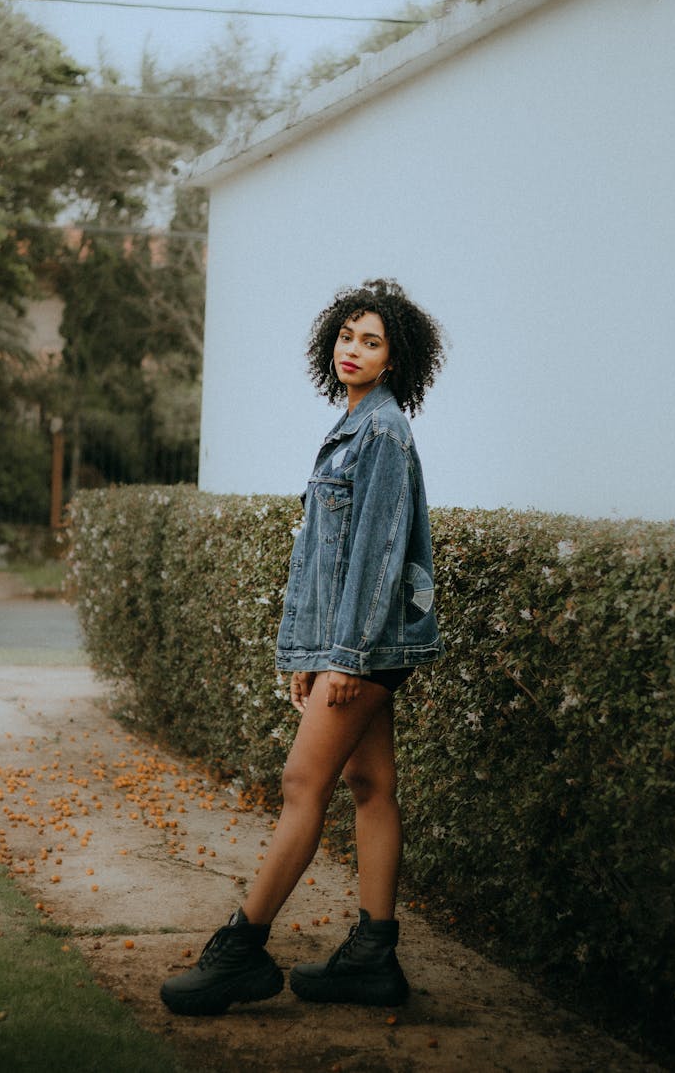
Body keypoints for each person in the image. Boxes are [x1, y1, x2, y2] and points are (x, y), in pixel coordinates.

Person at [160, 278, 446, 1016]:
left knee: (301, 784)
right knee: (371, 786)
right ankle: (373, 958)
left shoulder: (383, 431)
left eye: (372, 341)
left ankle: (241, 951)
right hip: (353, 642)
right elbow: (328, 557)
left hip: (366, 645)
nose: (354, 349)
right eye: (348, 335)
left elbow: (379, 552)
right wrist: (307, 651)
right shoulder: (355, 423)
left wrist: (343, 657)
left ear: (395, 358)